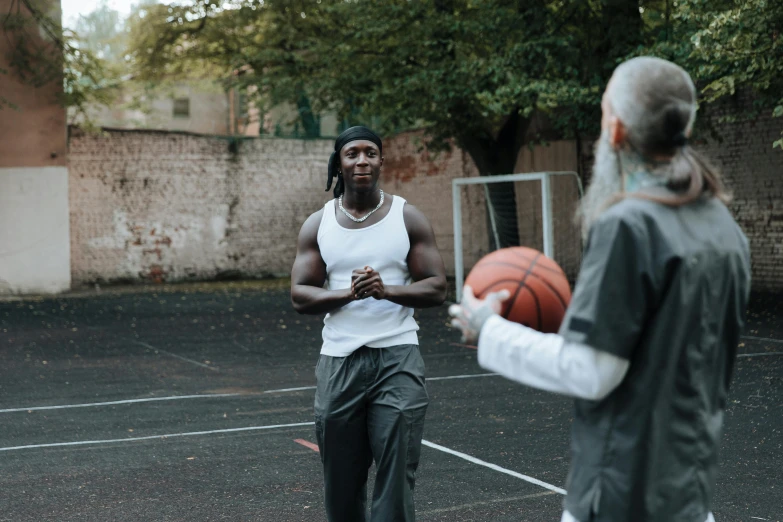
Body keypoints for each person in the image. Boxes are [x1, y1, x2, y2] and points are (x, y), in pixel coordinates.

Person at [448, 57, 751, 522]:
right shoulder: (724, 227)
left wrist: (488, 328)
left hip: (620, 495)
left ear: (615, 130)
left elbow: (590, 370)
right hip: (688, 494)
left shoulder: (628, 225)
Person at [291, 126, 447, 522]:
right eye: (353, 154)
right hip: (339, 361)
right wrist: (348, 294)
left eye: (371, 153)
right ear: (339, 164)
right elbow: (300, 295)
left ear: (381, 161)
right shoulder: (318, 223)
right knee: (341, 480)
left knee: (396, 475)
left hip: (397, 357)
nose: (362, 160)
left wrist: (385, 290)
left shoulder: (407, 217)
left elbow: (436, 287)